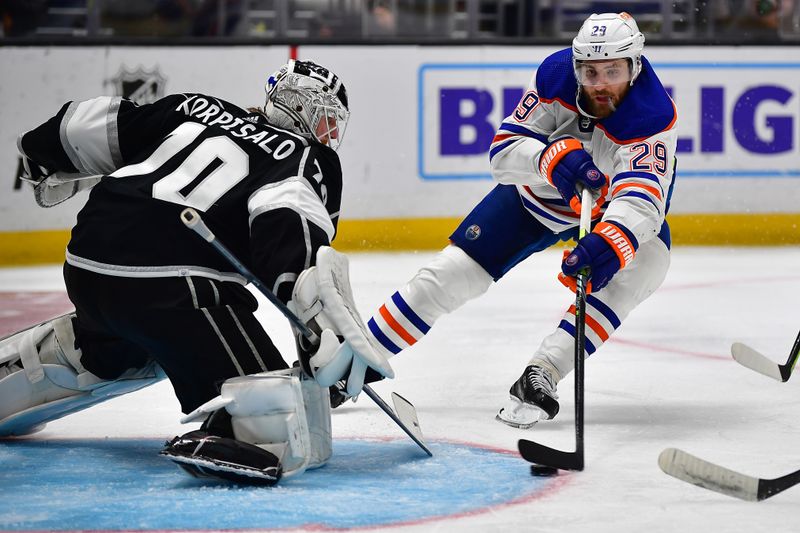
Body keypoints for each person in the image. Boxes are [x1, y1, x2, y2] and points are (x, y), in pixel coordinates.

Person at [0, 59, 393, 485]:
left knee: (119, 347)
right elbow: (288, 224)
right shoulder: (303, 155)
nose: (330, 135)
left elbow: (86, 124)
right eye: (327, 120)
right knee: (282, 415)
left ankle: (37, 367)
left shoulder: (193, 106)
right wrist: (317, 323)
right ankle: (243, 434)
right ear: (304, 106)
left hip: (88, 263)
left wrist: (41, 152)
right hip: (174, 287)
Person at [364, 12, 677, 428]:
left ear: (634, 67)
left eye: (612, 71)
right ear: (575, 65)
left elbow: (642, 201)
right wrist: (548, 159)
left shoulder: (652, 114)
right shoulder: (555, 76)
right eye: (590, 71)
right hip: (538, 198)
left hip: (606, 209)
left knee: (648, 265)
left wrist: (610, 243)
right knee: (448, 275)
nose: (599, 83)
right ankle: (355, 359)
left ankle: (542, 373)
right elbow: (503, 154)